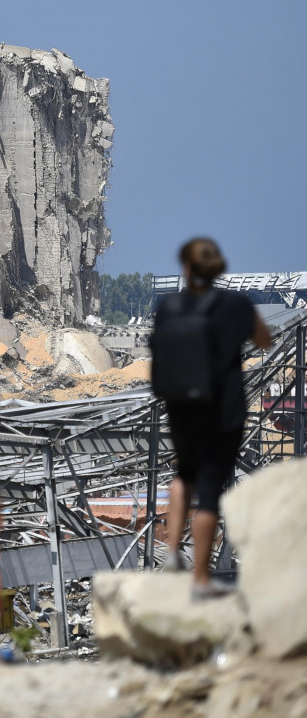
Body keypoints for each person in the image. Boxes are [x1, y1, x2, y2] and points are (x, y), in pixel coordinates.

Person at [156, 238, 271, 597]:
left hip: (181, 406)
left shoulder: (169, 306)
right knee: (208, 494)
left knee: (182, 474)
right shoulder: (237, 304)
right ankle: (200, 578)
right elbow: (265, 340)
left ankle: (172, 552)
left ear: (186, 267)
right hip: (223, 410)